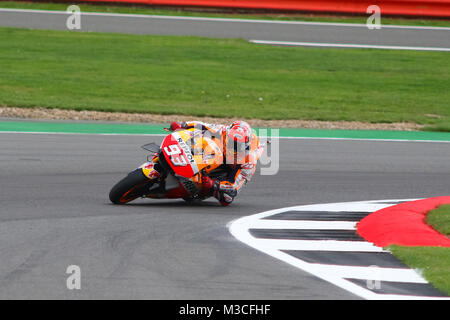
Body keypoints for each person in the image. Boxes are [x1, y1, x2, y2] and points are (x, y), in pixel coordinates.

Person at [169, 120, 263, 206]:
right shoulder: (223, 131)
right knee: (200, 136)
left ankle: (205, 185)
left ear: (245, 146)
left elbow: (234, 189)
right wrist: (183, 124)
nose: (232, 147)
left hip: (229, 171)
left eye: (237, 145)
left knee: (226, 198)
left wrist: (214, 184)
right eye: (231, 142)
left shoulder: (249, 161)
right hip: (215, 154)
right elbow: (202, 125)